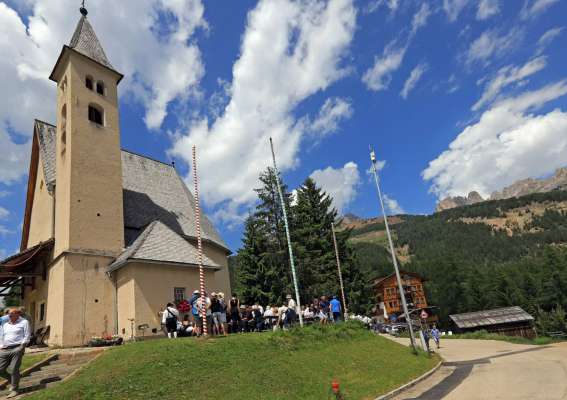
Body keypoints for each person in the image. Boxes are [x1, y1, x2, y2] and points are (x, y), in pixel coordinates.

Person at [0, 308, 31, 398]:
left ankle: (14, 389)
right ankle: (13, 380)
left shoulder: (24, 322)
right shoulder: (5, 324)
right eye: (9, 314)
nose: (9, 316)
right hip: (4, 349)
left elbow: (27, 334)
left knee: (14, 369)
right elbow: (1, 336)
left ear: (18, 314)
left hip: (17, 348)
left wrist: (22, 347)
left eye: (11, 314)